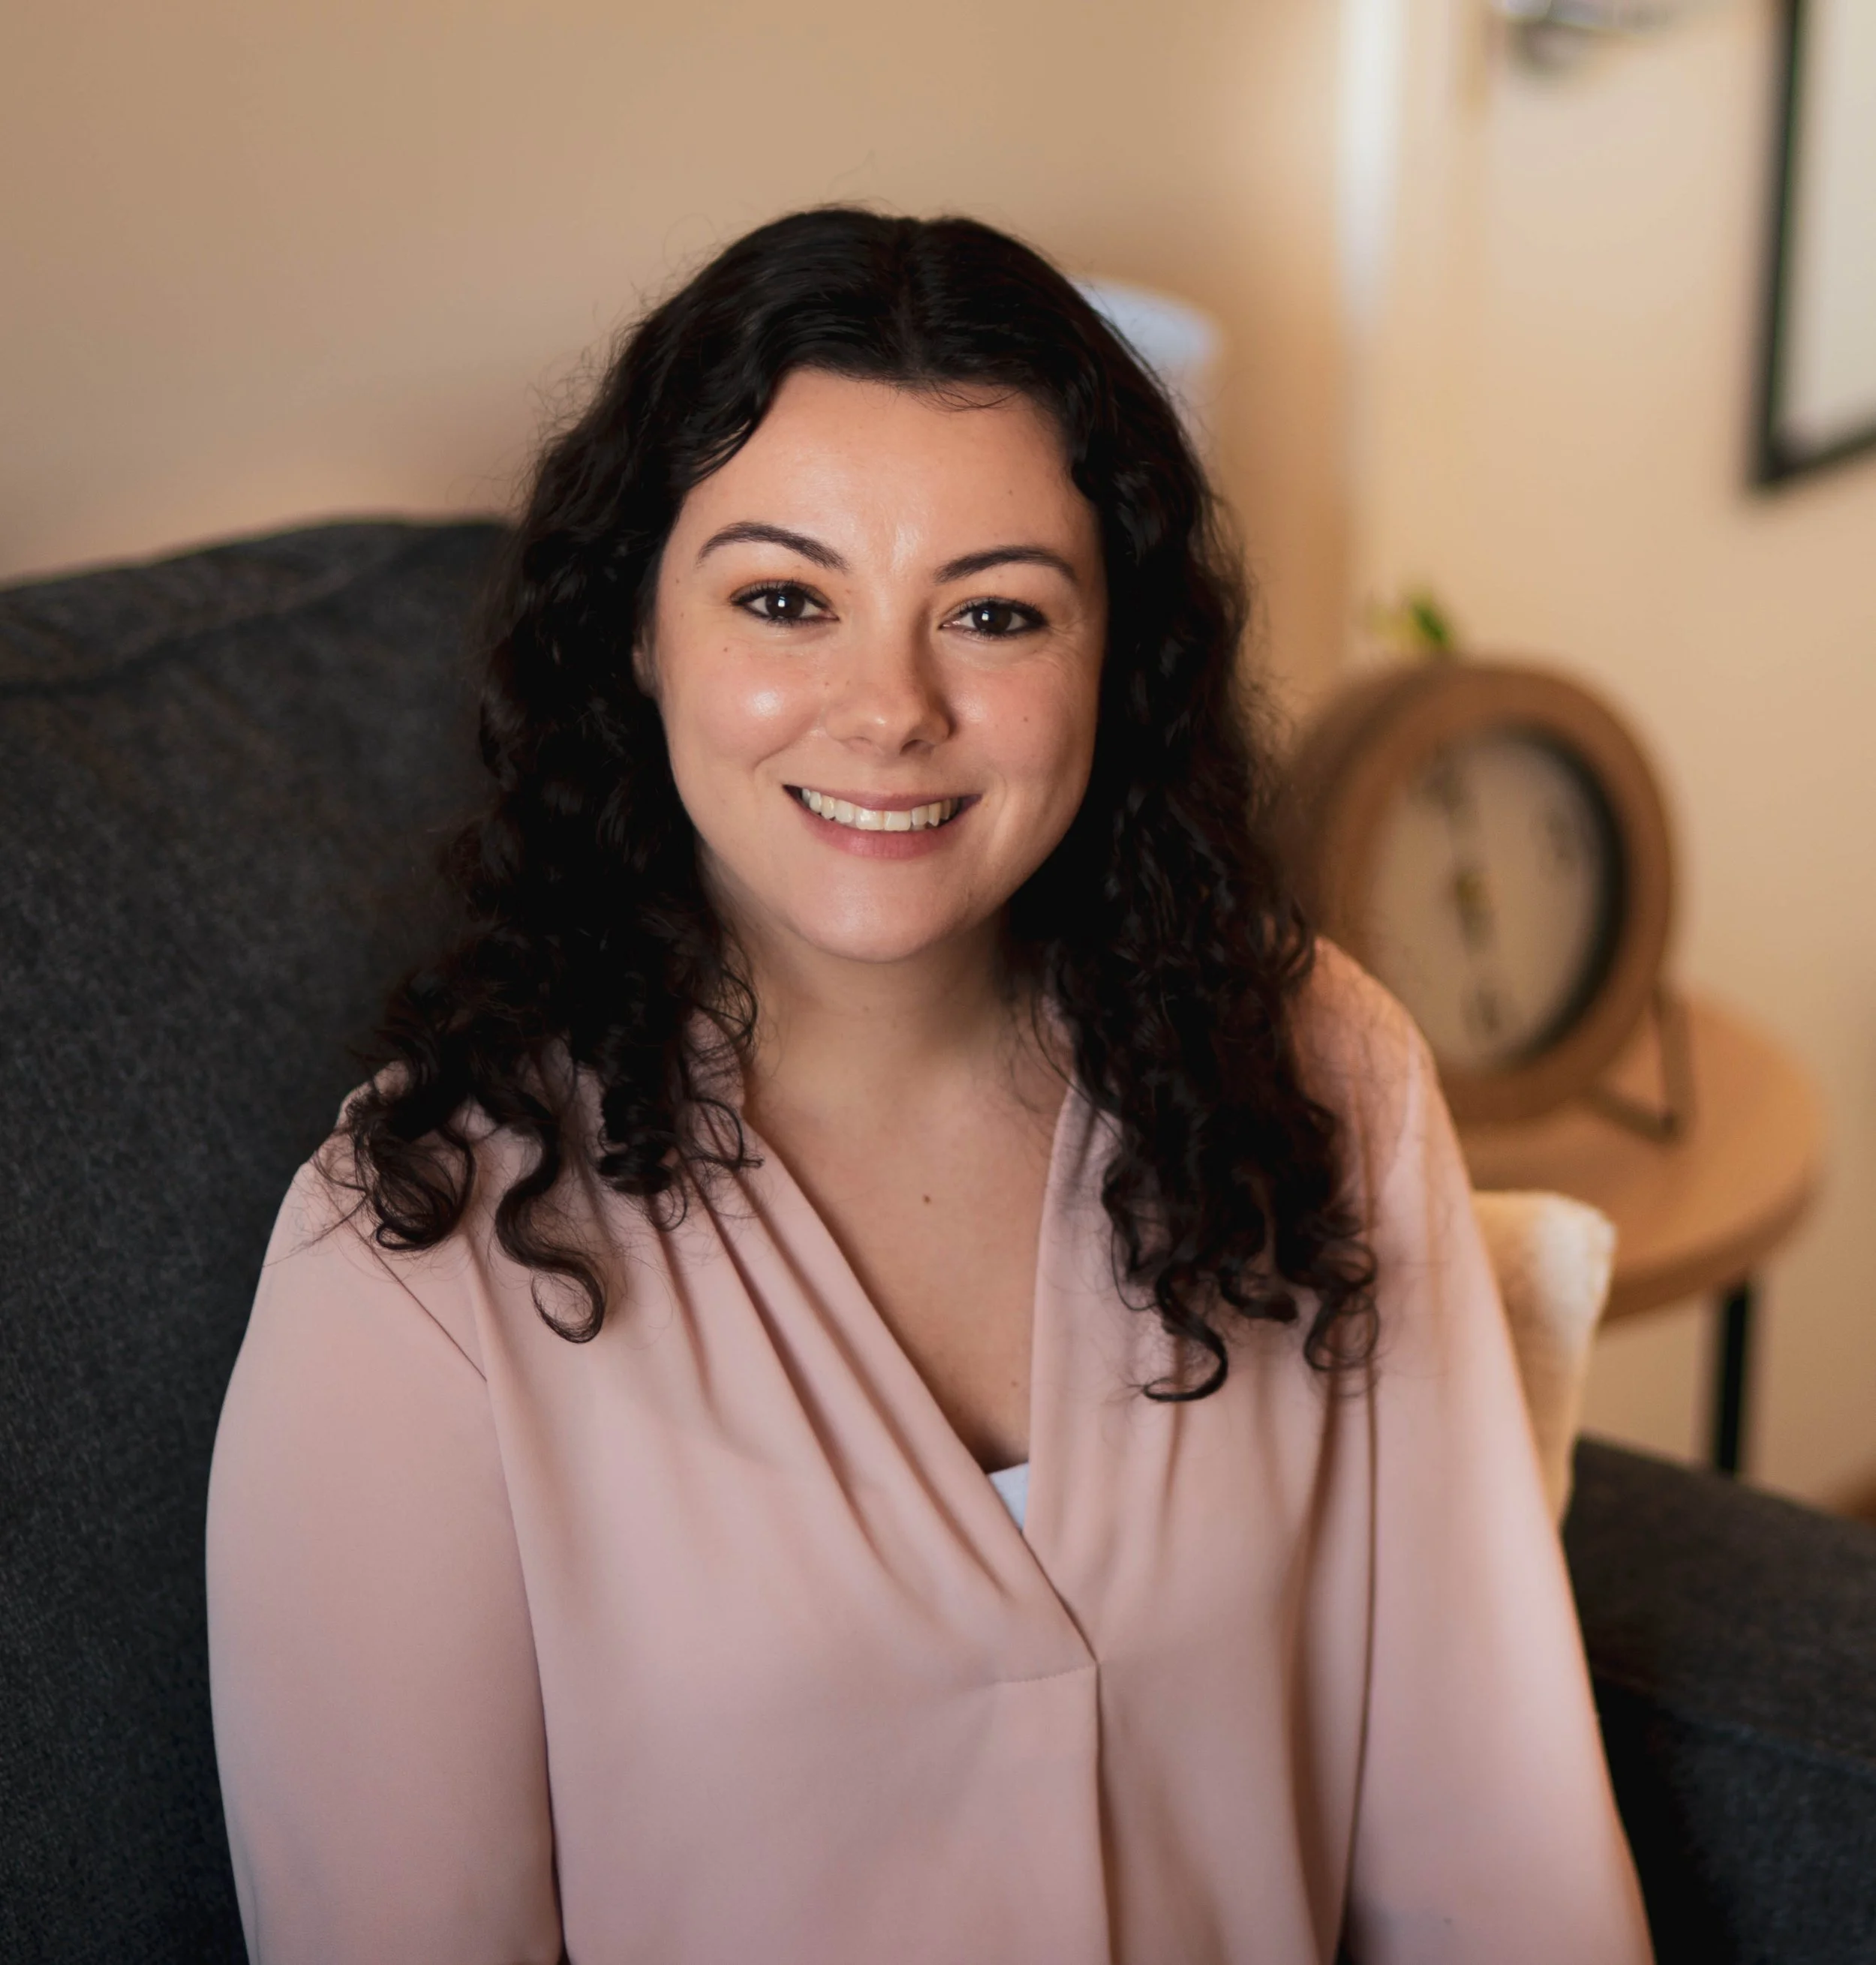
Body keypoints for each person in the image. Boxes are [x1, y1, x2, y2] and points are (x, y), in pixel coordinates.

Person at [206, 207, 1653, 1964]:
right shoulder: (411, 1263)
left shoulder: (1320, 1077)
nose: (888, 708)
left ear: (1112, 661)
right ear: (639, 638)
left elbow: (1495, 1852)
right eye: (782, 598)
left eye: (991, 611)